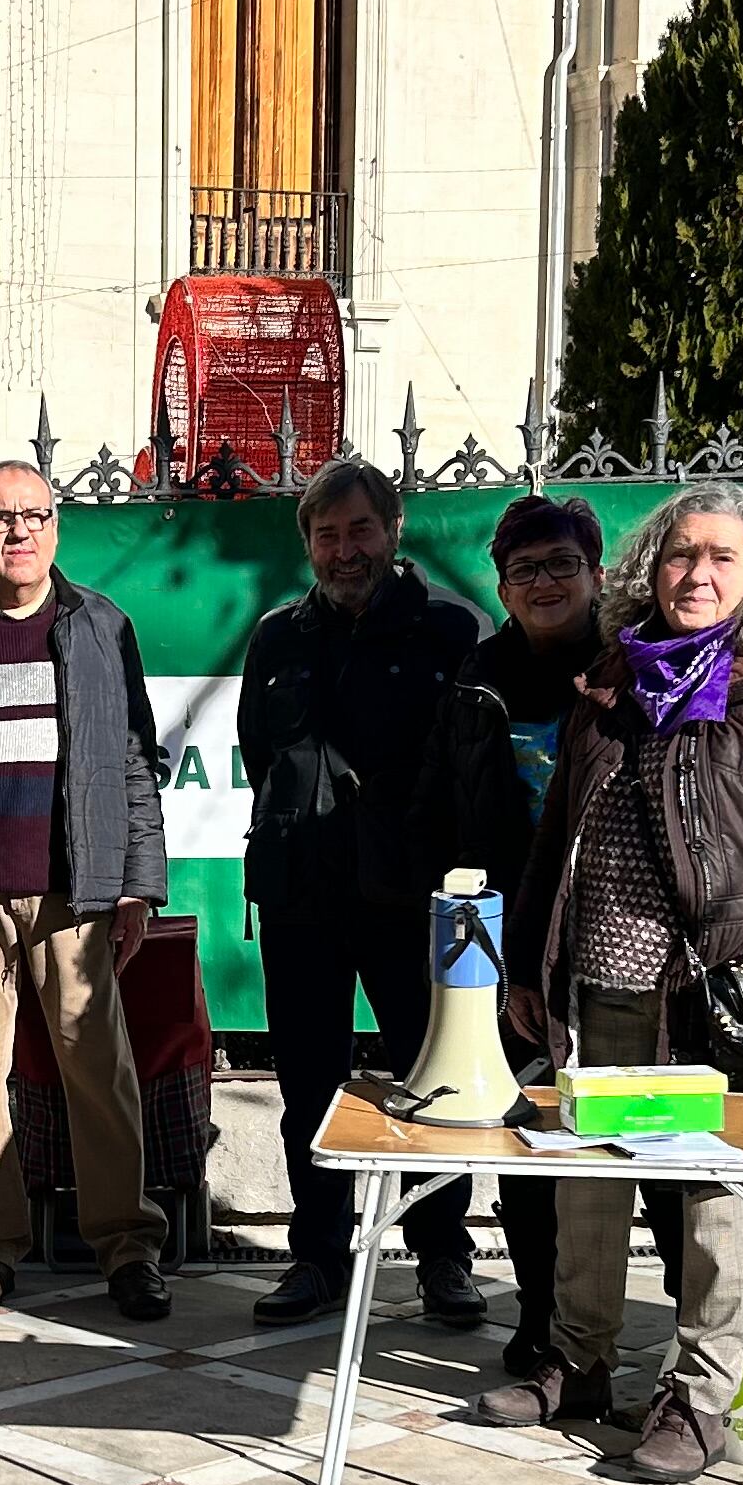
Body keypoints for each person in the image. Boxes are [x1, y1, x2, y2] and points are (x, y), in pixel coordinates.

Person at [477, 489, 743, 1482]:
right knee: (587, 1179)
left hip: (720, 993)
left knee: (713, 1197)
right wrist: (528, 964)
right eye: (680, 555)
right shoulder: (608, 680)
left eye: (722, 558)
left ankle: (696, 1402)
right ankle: (579, 1362)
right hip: (600, 983)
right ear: (650, 569)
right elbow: (554, 835)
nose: (698, 574)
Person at [239, 454, 511, 1329]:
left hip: (418, 906)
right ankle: (318, 1257)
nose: (344, 550)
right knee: (307, 1088)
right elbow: (258, 753)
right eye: (327, 534)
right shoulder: (278, 637)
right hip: (301, 901)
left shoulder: (450, 631)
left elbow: (477, 770)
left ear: (393, 534)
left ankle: (443, 1261)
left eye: (361, 530)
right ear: (308, 546)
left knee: (433, 1085)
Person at [0, 460, 173, 1325]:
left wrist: (139, 884)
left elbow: (135, 764)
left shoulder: (101, 626)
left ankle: (127, 1246)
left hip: (77, 890)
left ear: (57, 527)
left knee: (98, 1071)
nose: (18, 533)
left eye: (33, 516)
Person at [449, 492, 621, 1386]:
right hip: (516, 944)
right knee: (527, 1138)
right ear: (504, 587)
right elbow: (458, 826)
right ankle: (545, 1324)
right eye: (525, 570)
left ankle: (661, 1332)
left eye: (562, 564)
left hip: (626, 936)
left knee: (643, 1135)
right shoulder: (476, 678)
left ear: (594, 572)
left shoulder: (636, 663)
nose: (545, 582)